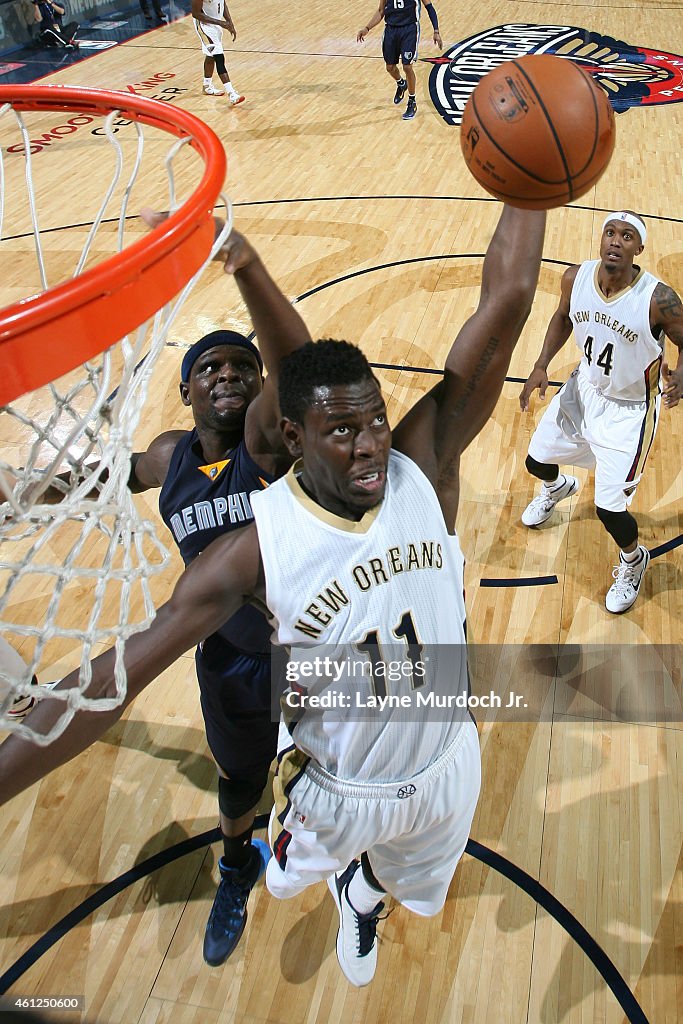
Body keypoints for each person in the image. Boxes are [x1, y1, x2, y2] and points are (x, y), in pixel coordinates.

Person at [0, 203, 547, 986]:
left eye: (375, 423)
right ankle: (257, 865)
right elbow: (110, 685)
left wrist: (534, 186)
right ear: (292, 437)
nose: (367, 446)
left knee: (405, 882)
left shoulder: (421, 464)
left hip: (449, 752)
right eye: (340, 431)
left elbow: (506, 299)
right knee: (246, 791)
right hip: (325, 761)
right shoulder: (243, 552)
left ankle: (364, 891)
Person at [126, 223, 310, 967]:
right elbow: (97, 477)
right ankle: (237, 865)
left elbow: (292, 364)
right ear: (187, 387)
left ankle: (354, 873)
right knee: (238, 784)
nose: (229, 374)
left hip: (310, 657)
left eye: (241, 366)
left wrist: (246, 263)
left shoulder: (264, 444)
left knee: (344, 779)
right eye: (212, 367)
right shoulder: (169, 456)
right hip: (229, 660)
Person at [519, 211, 683, 614]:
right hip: (583, 389)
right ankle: (557, 488)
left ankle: (633, 559)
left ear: (639, 248)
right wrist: (541, 364)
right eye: (610, 232)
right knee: (536, 461)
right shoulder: (575, 278)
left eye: (627, 236)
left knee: (610, 509)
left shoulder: (658, 299)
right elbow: (561, 317)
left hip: (629, 411)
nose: (615, 240)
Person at [357, 0, 442, 121]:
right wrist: (366, 28)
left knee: (407, 67)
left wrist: (436, 31)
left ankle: (412, 101)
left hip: (410, 30)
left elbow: (429, 7)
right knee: (390, 67)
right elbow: (381, 11)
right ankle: (401, 84)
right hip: (391, 30)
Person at [191, 0, 244, 104]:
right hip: (204, 26)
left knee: (211, 56)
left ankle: (207, 86)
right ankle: (231, 93)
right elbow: (196, 14)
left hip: (215, 23)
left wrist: (229, 22)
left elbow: (223, 2)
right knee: (219, 58)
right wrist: (222, 23)